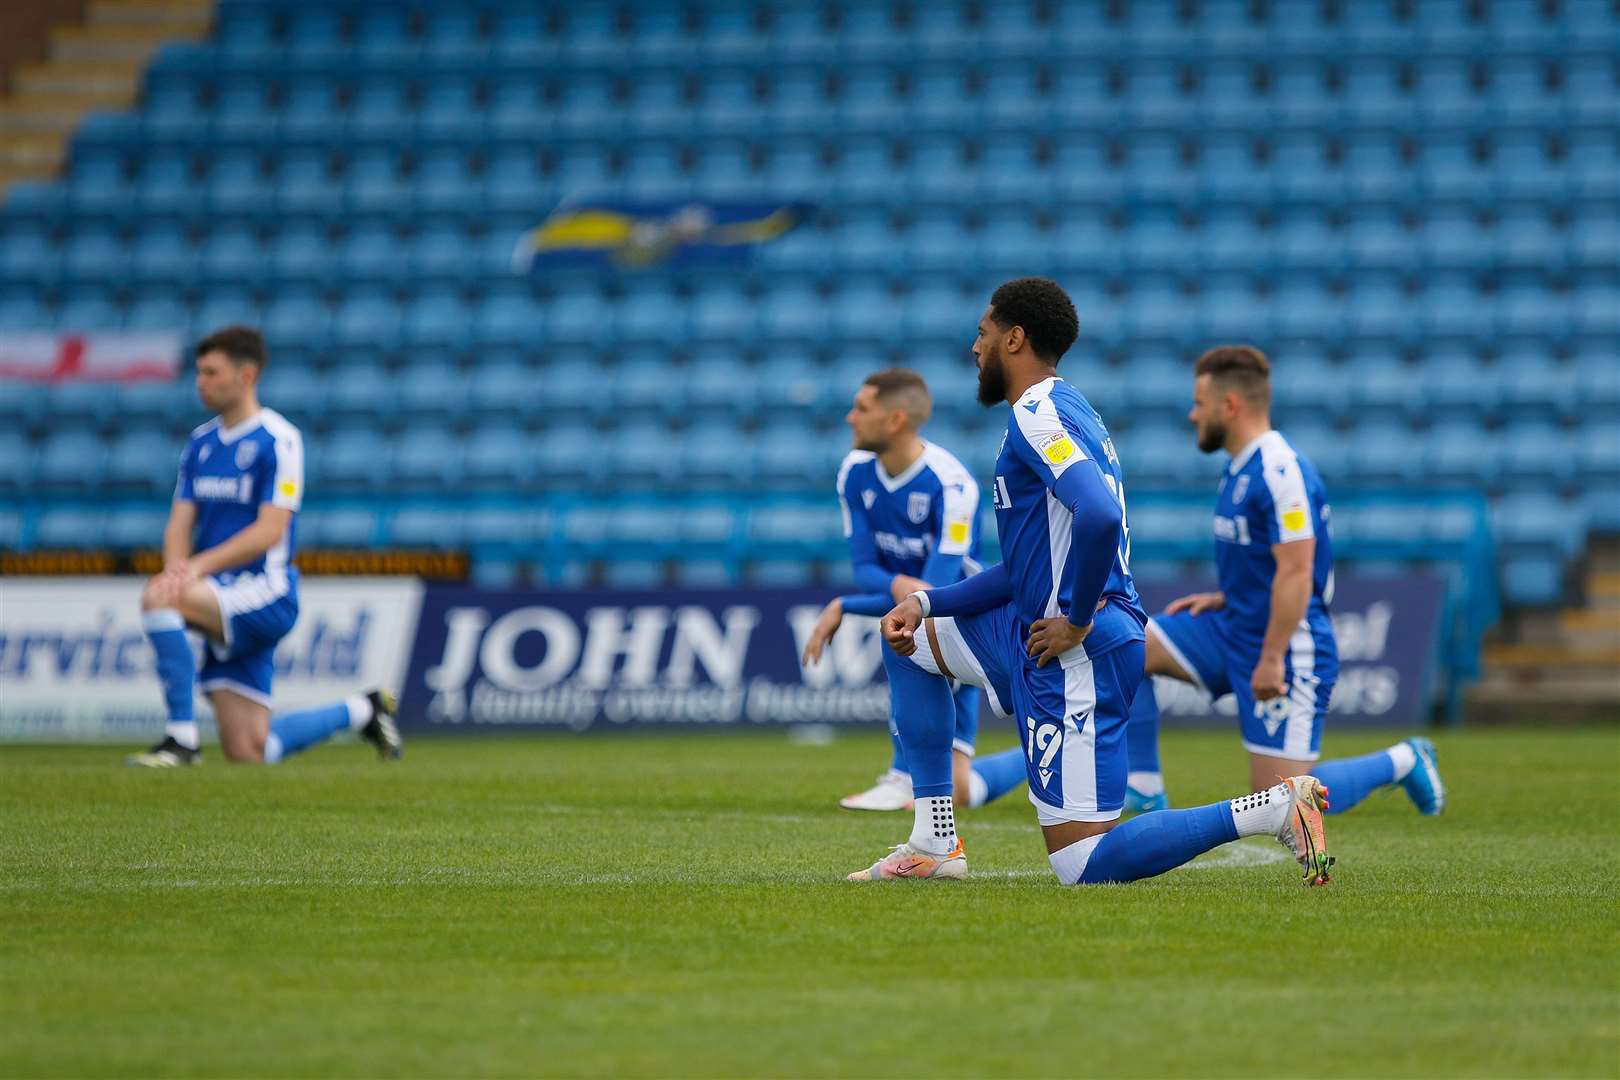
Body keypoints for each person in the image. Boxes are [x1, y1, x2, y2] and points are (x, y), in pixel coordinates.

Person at [852, 279, 1334, 886]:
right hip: (1029, 627)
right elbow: (1031, 565)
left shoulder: (1038, 414)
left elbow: (1099, 513)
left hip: (1076, 646)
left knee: (1083, 864)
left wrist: (1077, 616)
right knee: (908, 640)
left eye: (983, 333)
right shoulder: (1066, 409)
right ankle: (934, 842)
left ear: (1015, 338)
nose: (976, 346)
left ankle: (1271, 808)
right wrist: (924, 602)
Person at [1122, 346, 1445, 818]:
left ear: (1229, 405)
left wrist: (1272, 657)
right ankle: (1144, 787)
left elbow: (1297, 570)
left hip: (1287, 643)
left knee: (1285, 805)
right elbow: (1271, 564)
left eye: (1200, 403)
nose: (1192, 415)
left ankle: (1401, 760)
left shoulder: (1279, 470)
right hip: (1235, 625)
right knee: (1123, 646)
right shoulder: (1240, 467)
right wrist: (1228, 596)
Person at [126, 326, 401, 767]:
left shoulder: (279, 439)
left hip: (264, 592)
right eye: (198, 372)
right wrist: (179, 568)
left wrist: (191, 572)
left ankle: (181, 741)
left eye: (212, 372)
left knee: (158, 597)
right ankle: (364, 709)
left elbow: (270, 531)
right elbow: (179, 521)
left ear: (246, 375)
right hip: (216, 593)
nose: (202, 381)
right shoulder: (200, 443)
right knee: (252, 751)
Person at [801, 369, 1026, 812]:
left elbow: (933, 592)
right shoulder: (854, 472)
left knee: (907, 640)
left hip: (962, 618)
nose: (850, 418)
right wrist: (885, 589)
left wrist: (849, 605)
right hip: (917, 610)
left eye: (861, 408)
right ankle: (914, 776)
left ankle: (903, 776)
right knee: (959, 791)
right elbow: (866, 567)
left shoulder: (951, 483)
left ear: (895, 420)